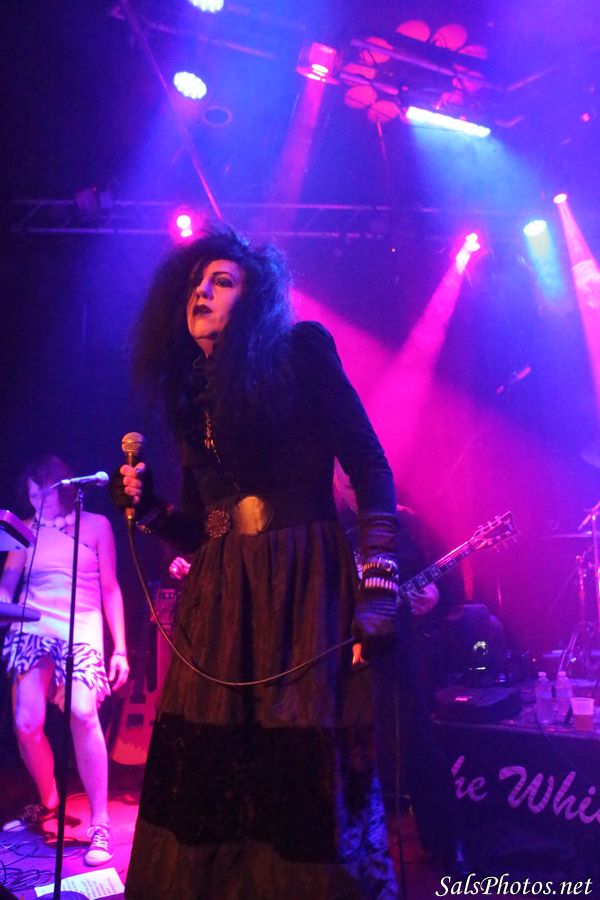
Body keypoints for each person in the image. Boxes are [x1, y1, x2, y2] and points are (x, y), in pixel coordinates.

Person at [115, 225, 414, 899]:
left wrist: (378, 581)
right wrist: (150, 509)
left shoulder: (301, 351)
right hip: (222, 598)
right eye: (195, 283)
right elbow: (207, 530)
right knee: (215, 772)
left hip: (301, 584)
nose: (201, 291)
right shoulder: (191, 395)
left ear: (252, 300)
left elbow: (370, 465)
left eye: (221, 282)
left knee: (301, 768)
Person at [0, 455, 129, 866]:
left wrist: (120, 648)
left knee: (82, 713)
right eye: (31, 496)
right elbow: (6, 587)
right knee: (26, 723)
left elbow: (110, 588)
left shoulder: (96, 526)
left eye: (44, 493)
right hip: (33, 625)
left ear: (63, 487)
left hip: (82, 624)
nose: (37, 502)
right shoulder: (23, 530)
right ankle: (49, 800)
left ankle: (100, 823)